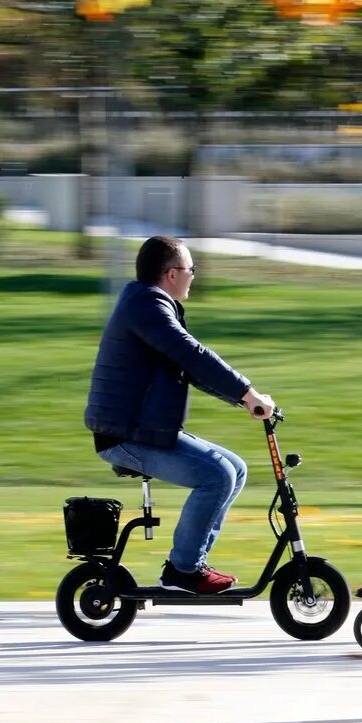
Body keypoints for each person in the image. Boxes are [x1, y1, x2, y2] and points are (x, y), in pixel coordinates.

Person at [84, 236, 275, 594]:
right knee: (216, 475)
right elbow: (193, 354)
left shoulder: (148, 304)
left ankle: (191, 563)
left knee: (235, 468)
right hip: (125, 434)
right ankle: (183, 570)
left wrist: (244, 401)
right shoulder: (147, 306)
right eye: (191, 270)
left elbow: (190, 368)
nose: (193, 276)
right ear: (172, 274)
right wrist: (247, 392)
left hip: (143, 428)